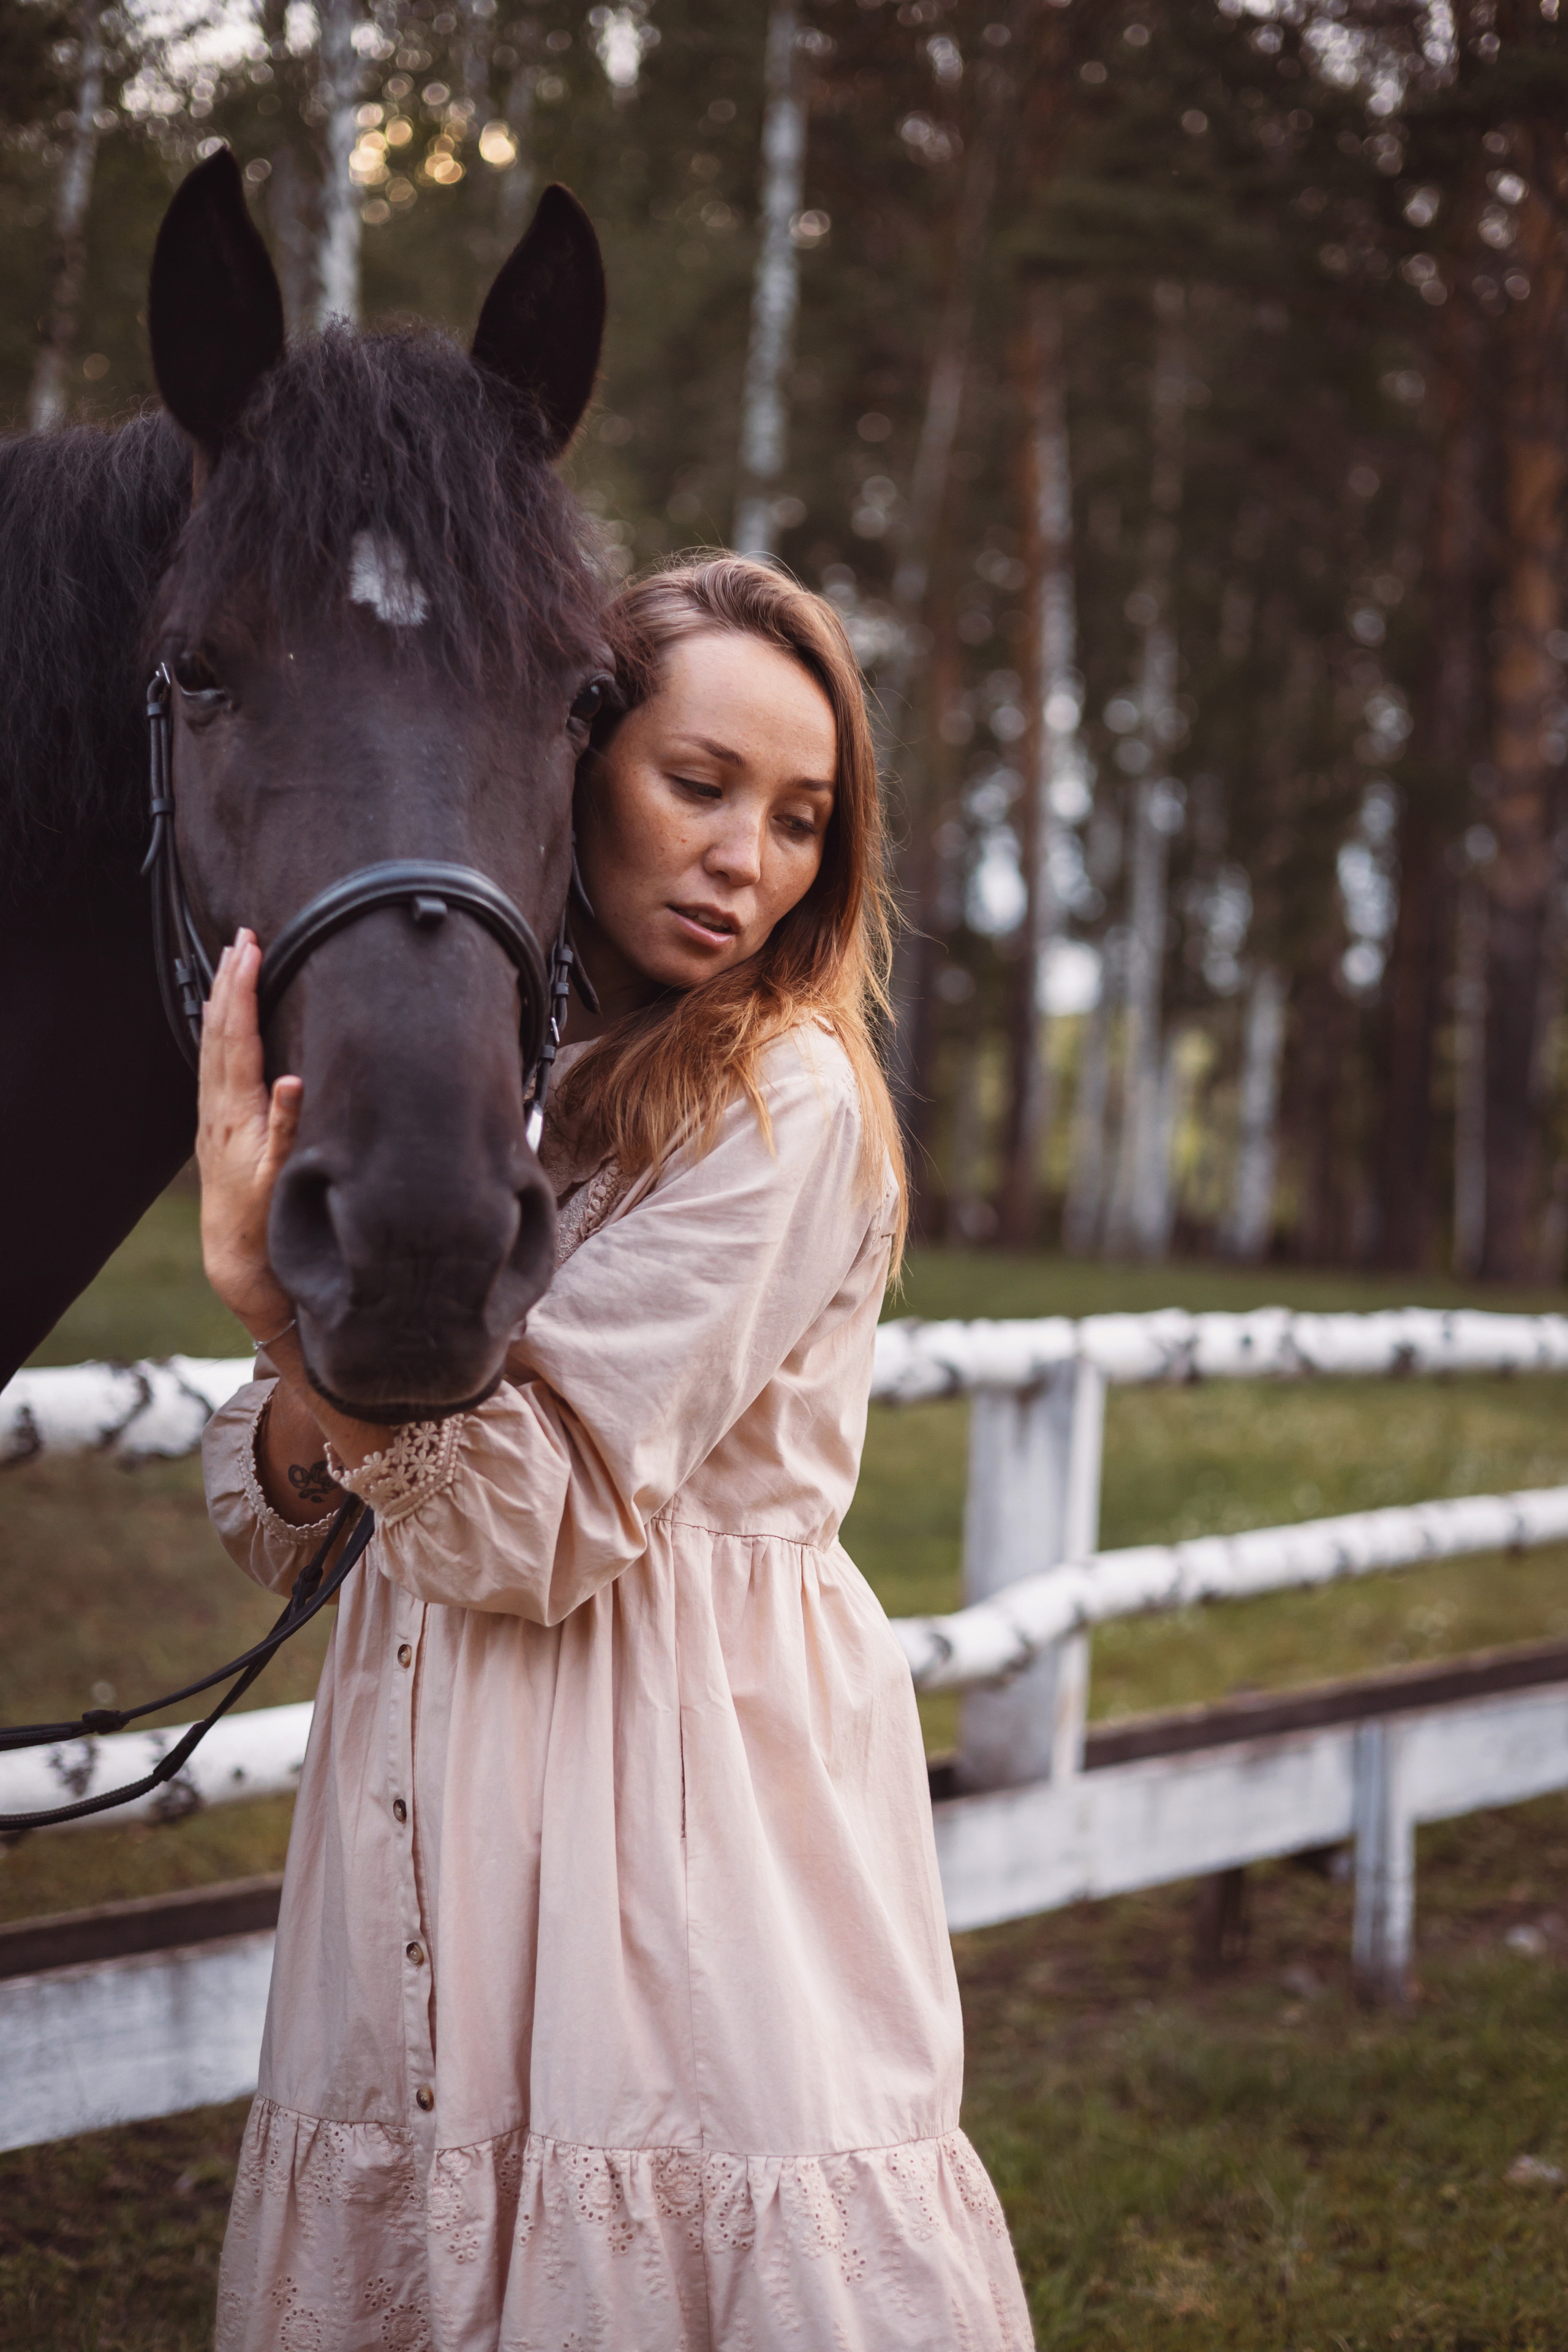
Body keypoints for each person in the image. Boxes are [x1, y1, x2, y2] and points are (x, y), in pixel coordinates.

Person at [197, 555, 1034, 2350]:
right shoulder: (495, 1080)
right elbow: (272, 1517)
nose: (750, 858)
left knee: (660, 2217)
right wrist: (314, 1380)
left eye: (804, 817)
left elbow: (528, 1524)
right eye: (699, 784)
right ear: (571, 767)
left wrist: (282, 1319)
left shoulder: (783, 1103)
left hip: (676, 1805)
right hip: (436, 1765)